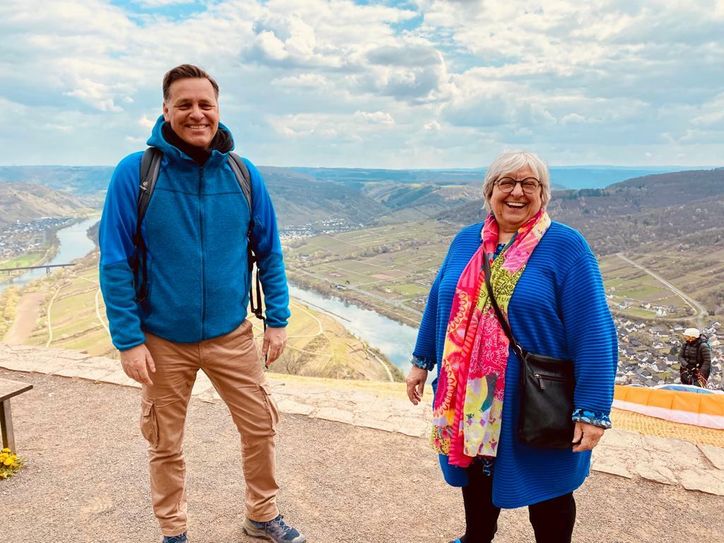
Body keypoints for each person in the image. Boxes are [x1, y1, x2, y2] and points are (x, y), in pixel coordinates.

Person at [99, 64, 305, 543]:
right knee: (164, 443)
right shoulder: (137, 172)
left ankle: (261, 515)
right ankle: (174, 532)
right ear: (166, 110)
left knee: (260, 428)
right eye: (185, 104)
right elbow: (115, 261)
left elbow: (269, 250)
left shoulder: (242, 173)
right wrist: (129, 341)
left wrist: (278, 321)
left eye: (205, 104)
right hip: (161, 339)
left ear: (218, 110)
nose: (196, 114)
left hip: (231, 335)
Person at [406, 150, 617, 543]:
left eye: (529, 184)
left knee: (549, 490)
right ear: (490, 191)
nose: (517, 192)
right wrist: (422, 360)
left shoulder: (565, 246)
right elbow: (440, 299)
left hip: (535, 398)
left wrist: (593, 410)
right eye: (507, 183)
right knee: (475, 471)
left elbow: (595, 330)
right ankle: (476, 537)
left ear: (543, 194)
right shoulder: (467, 240)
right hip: (471, 396)